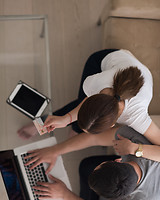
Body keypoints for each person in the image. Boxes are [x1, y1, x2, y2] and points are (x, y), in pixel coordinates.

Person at [32, 126, 160, 200]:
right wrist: (54, 150)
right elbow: (94, 138)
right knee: (87, 166)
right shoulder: (134, 142)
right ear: (118, 161)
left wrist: (65, 194)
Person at [18, 49, 160, 146]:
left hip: (131, 68)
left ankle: (71, 128)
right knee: (81, 115)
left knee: (86, 118)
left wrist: (137, 150)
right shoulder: (93, 83)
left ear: (112, 125)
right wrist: (66, 119)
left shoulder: (137, 116)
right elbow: (86, 102)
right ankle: (68, 128)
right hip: (103, 59)